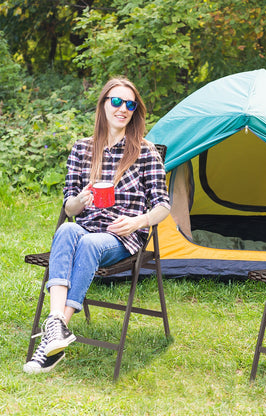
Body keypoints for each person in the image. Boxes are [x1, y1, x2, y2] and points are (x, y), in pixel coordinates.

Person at [24, 77, 170, 374]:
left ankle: (56, 329)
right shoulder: (82, 150)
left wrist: (138, 221)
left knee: (89, 243)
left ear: (135, 111)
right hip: (87, 227)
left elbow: (163, 205)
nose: (123, 109)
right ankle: (57, 326)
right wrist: (81, 199)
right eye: (116, 101)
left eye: (130, 104)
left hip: (121, 238)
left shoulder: (146, 151)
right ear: (103, 105)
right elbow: (69, 208)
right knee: (66, 229)